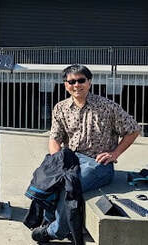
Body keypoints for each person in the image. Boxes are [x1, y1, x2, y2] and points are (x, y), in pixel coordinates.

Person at [31, 64, 141, 243]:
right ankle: (48, 219)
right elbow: (54, 138)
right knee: (45, 178)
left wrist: (114, 154)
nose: (77, 85)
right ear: (66, 85)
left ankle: (54, 231)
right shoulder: (60, 108)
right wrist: (57, 160)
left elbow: (133, 130)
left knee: (69, 186)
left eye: (81, 80)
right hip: (70, 159)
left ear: (89, 82)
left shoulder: (107, 107)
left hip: (97, 163)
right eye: (72, 81)